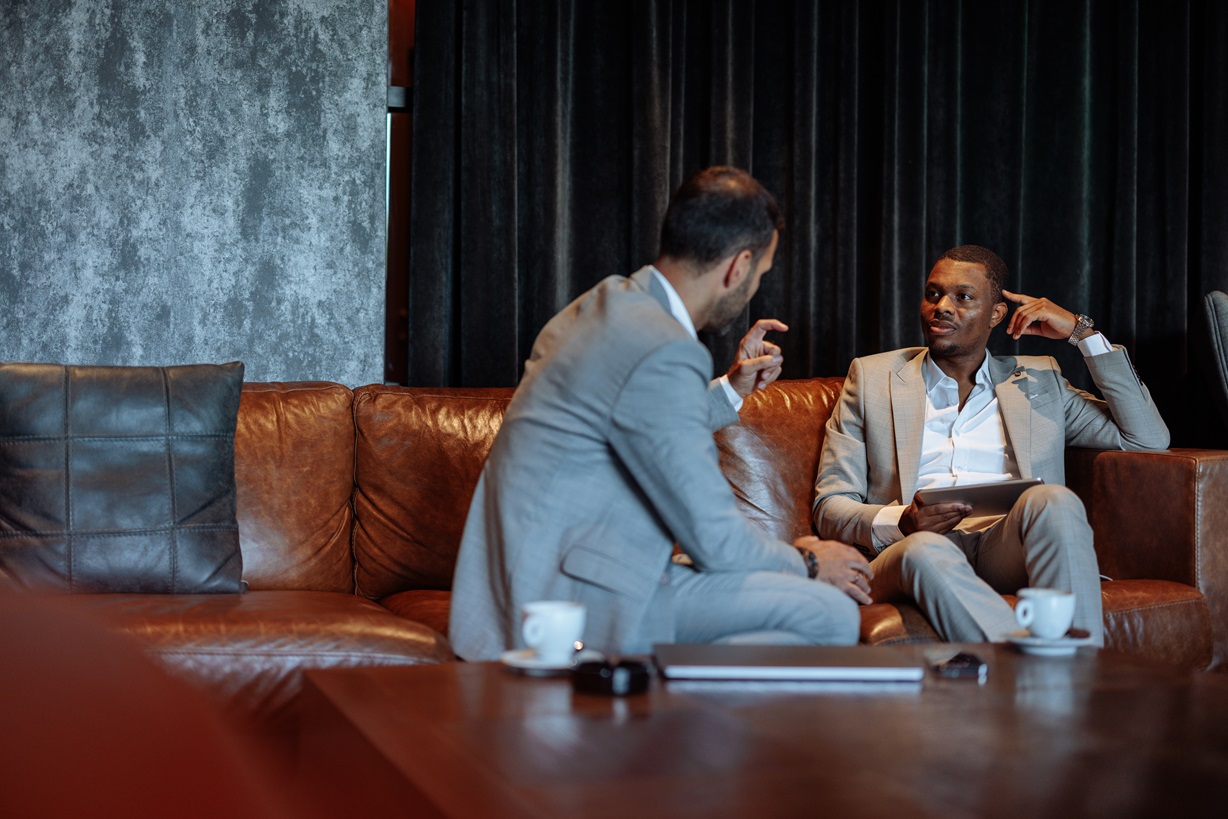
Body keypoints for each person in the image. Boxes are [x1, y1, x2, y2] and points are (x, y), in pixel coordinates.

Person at [450, 166, 871, 661]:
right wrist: (808, 560)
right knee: (830, 614)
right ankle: (651, 717)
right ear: (737, 268)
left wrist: (730, 390)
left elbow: (630, 420)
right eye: (760, 275)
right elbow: (715, 540)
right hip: (576, 599)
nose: (754, 288)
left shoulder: (604, 304)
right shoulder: (664, 348)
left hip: (528, 580)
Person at [813, 245, 1169, 645]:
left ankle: (1072, 674)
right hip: (914, 549)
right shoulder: (873, 378)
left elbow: (1146, 438)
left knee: (1056, 500)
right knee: (927, 550)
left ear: (996, 315)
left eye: (963, 297)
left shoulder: (1038, 381)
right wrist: (901, 522)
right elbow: (831, 505)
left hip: (1004, 548)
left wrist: (1080, 333)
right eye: (933, 294)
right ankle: (1051, 677)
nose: (942, 306)